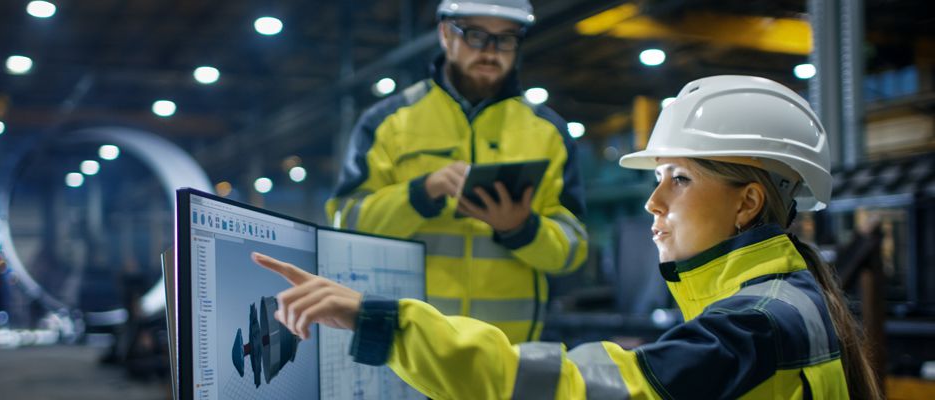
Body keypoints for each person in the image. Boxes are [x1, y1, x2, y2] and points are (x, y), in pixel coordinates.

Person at [256, 75, 882, 399]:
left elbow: (588, 389)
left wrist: (384, 323)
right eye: (660, 177)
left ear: (748, 202)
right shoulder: (782, 298)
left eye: (680, 179)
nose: (653, 199)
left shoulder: (756, 321)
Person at [325, 0, 587, 344]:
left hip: (509, 355)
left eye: (506, 38)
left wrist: (522, 229)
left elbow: (573, 249)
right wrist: (421, 194)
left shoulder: (548, 132)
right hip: (410, 348)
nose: (491, 52)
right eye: (476, 35)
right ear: (445, 34)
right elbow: (345, 223)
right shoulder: (388, 123)